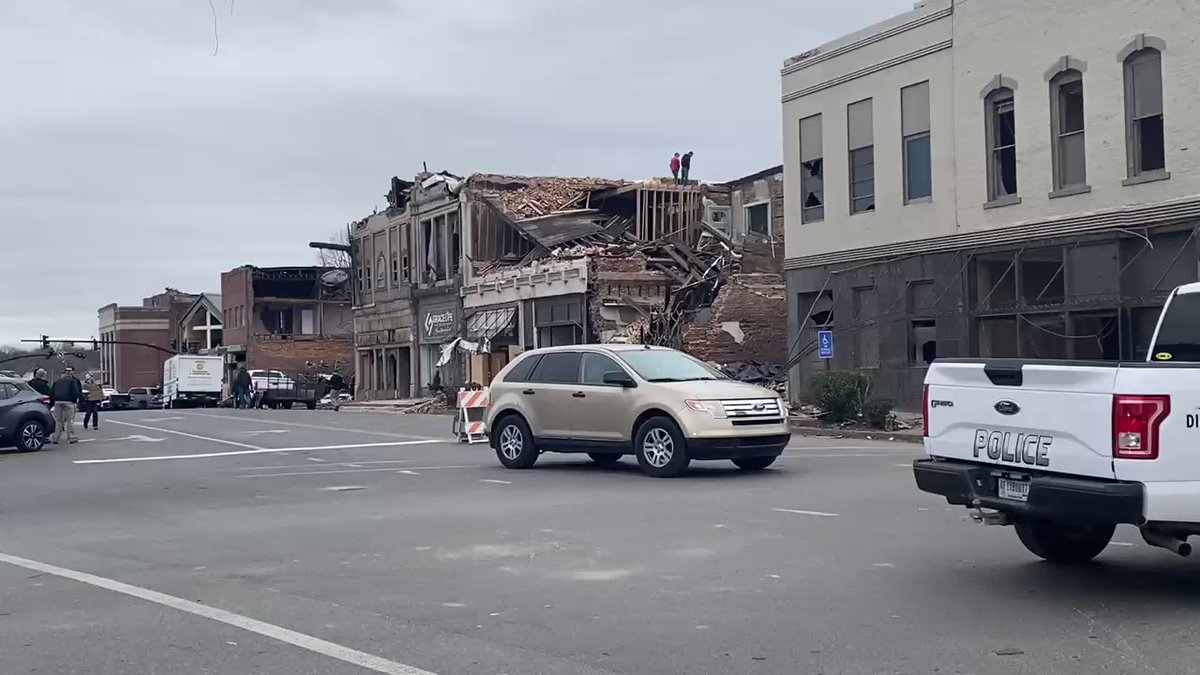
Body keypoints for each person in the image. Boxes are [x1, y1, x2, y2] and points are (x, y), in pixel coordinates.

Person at [49, 367, 83, 444]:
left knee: (58, 420)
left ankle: (56, 437)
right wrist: (79, 401)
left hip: (57, 401)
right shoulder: (73, 381)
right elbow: (76, 392)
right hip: (68, 401)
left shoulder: (57, 381)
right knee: (69, 420)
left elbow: (51, 393)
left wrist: (52, 403)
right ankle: (71, 437)